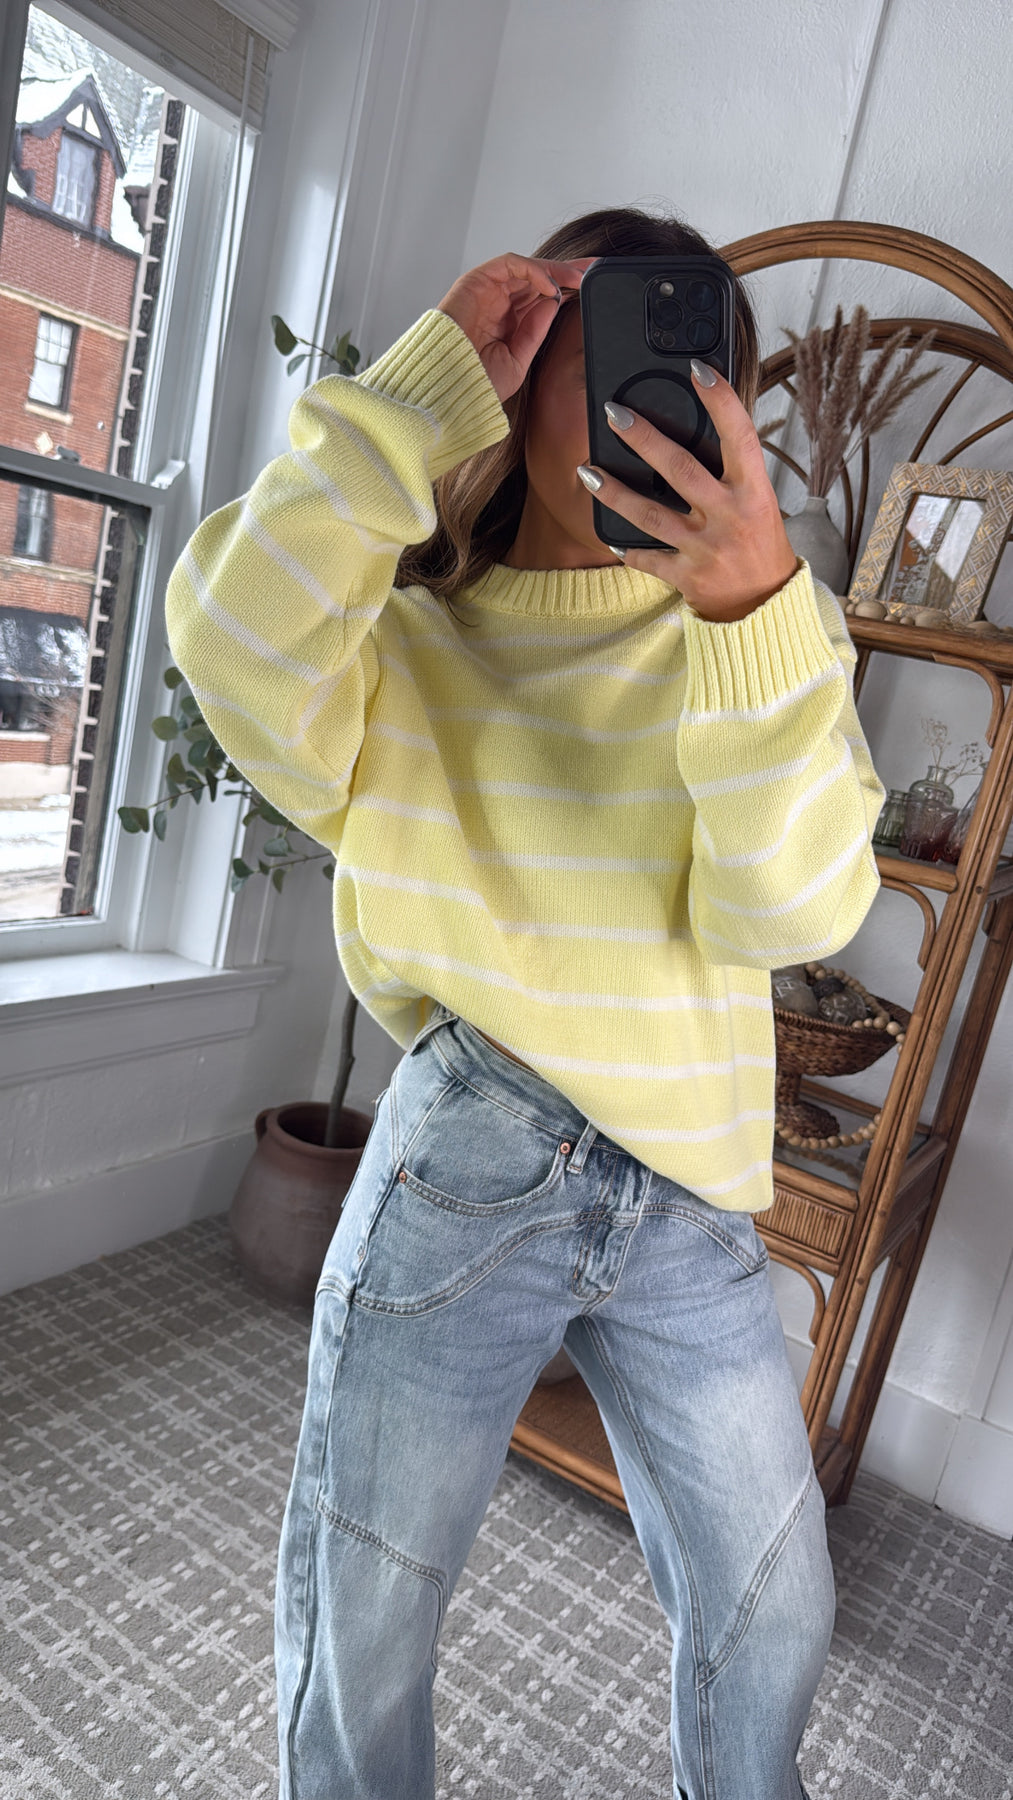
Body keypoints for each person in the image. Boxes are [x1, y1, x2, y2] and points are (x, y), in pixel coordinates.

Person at [165, 205, 886, 1800]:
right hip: (470, 1153)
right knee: (363, 1612)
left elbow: (795, 910)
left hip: (691, 1196)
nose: (663, 402)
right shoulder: (400, 637)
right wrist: (418, 398)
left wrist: (753, 616)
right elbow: (227, 639)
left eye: (702, 372)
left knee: (773, 1614)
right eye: (618, 349)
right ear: (518, 369)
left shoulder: (764, 637)